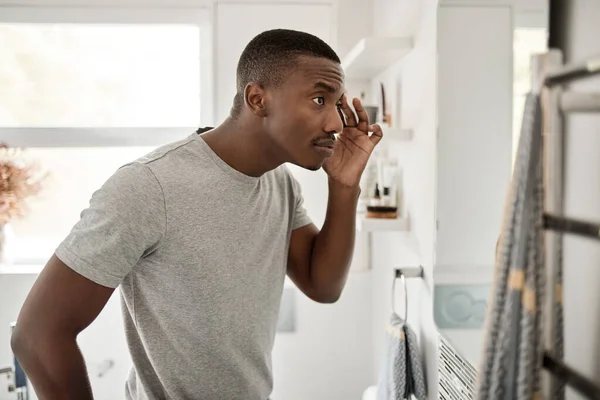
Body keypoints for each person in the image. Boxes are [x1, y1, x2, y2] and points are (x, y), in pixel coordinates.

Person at [11, 29, 383, 399]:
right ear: (258, 99)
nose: (336, 123)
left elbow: (323, 285)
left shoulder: (280, 183)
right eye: (320, 99)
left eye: (337, 105)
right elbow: (36, 335)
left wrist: (344, 187)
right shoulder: (149, 186)